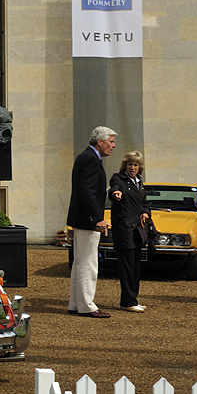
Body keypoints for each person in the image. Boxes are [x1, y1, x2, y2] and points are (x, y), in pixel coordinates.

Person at [67, 126, 116, 318]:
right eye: (111, 142)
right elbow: (88, 191)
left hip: (81, 218)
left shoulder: (86, 157)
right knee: (88, 263)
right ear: (100, 141)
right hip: (87, 219)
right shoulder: (90, 159)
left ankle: (76, 304)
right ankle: (87, 305)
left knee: (80, 263)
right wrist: (97, 218)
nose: (113, 146)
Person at [108, 151, 150, 313]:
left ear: (140, 167)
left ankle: (132, 299)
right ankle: (128, 301)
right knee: (127, 267)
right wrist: (115, 193)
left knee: (135, 267)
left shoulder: (139, 182)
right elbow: (114, 188)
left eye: (135, 165)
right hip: (124, 229)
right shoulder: (118, 178)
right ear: (125, 165)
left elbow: (145, 203)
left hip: (137, 230)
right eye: (130, 164)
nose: (132, 167)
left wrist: (146, 212)